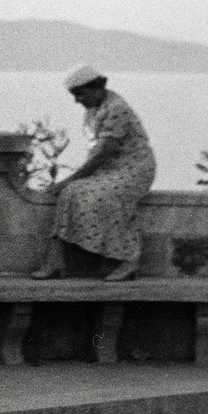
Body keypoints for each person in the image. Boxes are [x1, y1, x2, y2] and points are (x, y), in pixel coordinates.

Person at [32, 65, 156, 282]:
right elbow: (96, 155)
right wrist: (69, 184)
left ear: (96, 88)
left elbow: (103, 153)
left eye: (80, 93)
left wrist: (69, 179)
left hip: (135, 169)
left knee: (101, 195)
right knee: (70, 193)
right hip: (110, 169)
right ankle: (56, 260)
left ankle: (128, 258)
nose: (77, 100)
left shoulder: (117, 109)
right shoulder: (93, 111)